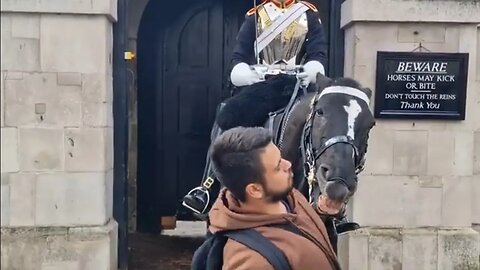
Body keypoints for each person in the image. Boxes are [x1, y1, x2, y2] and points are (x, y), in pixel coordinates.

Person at [182, 0, 328, 216]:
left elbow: (318, 52)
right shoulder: (256, 15)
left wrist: (313, 69)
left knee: (326, 126)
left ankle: (328, 198)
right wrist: (245, 73)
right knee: (227, 114)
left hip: (296, 85)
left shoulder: (308, 14)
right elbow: (239, 55)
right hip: (262, 85)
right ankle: (207, 186)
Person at [204, 126, 341, 270]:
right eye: (277, 166)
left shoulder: (287, 196)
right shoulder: (252, 261)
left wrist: (320, 212)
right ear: (255, 190)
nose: (288, 164)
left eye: (281, 158)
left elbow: (296, 227)